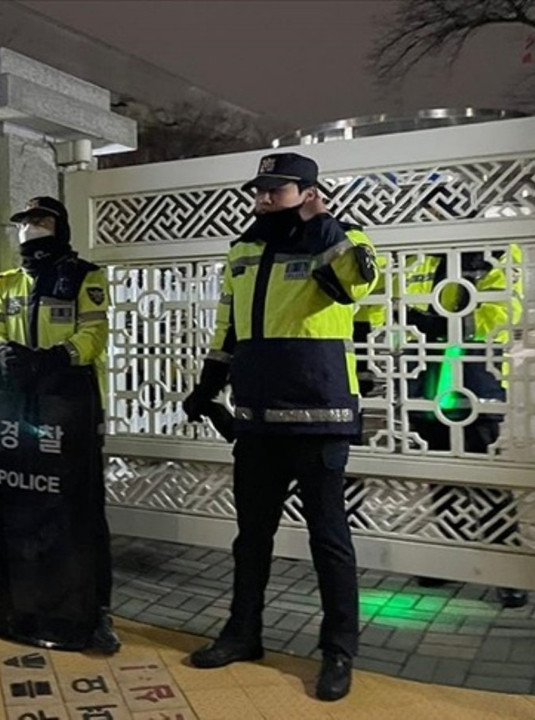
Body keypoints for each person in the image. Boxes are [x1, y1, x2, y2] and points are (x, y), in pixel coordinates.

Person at [182, 153, 379, 701]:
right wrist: (207, 385)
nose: (265, 198)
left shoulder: (344, 238)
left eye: (277, 189)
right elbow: (229, 327)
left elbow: (354, 286)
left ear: (309, 191)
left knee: (328, 540)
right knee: (252, 539)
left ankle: (338, 651)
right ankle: (243, 633)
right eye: (260, 190)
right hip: (258, 419)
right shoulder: (243, 249)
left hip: (321, 418)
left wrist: (321, 224)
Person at [0, 196, 119, 653]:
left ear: (59, 226)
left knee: (78, 510)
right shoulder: (8, 283)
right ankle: (22, 601)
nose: (30, 229)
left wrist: (56, 359)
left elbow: (93, 334)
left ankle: (92, 609)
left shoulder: (83, 276)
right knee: (22, 504)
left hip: (69, 409)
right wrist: (2, 353)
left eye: (40, 221)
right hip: (19, 411)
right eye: (24, 222)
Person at [403, 246, 527, 608]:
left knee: (487, 481)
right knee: (443, 479)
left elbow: (501, 313)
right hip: (427, 384)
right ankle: (451, 558)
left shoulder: (495, 253)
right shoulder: (420, 256)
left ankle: (508, 571)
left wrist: (441, 321)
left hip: (475, 384)